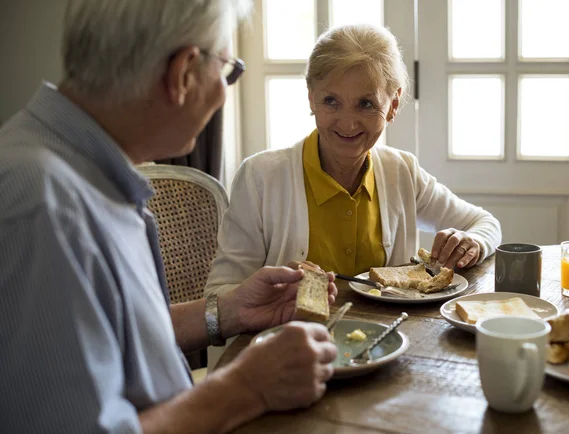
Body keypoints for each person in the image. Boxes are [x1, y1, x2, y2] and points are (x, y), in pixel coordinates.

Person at [0, 1, 339, 432]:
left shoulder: (82, 171)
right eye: (227, 71)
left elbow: (116, 338)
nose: (223, 90)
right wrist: (247, 388)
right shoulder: (43, 209)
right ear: (182, 74)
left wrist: (230, 311)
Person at [205, 24, 502, 296]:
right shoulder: (260, 177)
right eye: (331, 101)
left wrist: (472, 242)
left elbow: (485, 223)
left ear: (394, 104)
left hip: (391, 344)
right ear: (311, 98)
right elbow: (219, 293)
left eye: (366, 104)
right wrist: (274, 290)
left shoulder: (402, 171)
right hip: (291, 349)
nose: (347, 124)